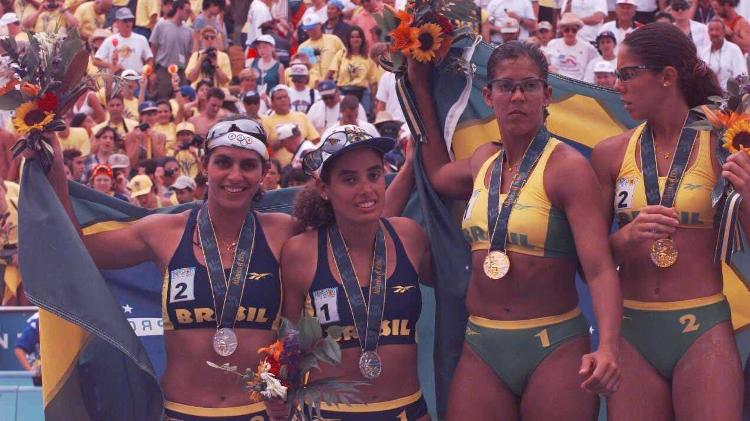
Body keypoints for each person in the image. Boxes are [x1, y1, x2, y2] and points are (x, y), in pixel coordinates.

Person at [408, 40, 622, 420]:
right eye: (507, 87)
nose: (518, 96)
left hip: (553, 343)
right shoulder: (482, 160)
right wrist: (420, 90)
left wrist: (607, 346)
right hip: (482, 343)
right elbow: (439, 175)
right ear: (489, 96)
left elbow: (599, 268)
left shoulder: (567, 168)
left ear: (547, 95)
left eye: (529, 86)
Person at [35, 116, 295, 419]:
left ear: (264, 172)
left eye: (248, 165)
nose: (234, 175)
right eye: (223, 162)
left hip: (260, 412)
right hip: (179, 411)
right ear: (203, 165)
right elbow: (78, 252)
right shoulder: (163, 233)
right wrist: (52, 167)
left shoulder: (285, 232)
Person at [591, 23, 743, 420]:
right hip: (632, 329)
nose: (618, 84)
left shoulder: (724, 144)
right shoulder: (609, 154)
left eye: (628, 74)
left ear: (667, 77)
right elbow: (588, 260)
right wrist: (626, 236)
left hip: (703, 325)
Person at [282, 124, 432, 420]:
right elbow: (288, 342)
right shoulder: (301, 252)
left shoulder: (409, 237)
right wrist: (277, 390)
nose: (366, 189)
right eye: (349, 179)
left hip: (407, 410)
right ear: (324, 188)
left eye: (374, 175)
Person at [149, 0, 193, 100]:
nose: (189, 14)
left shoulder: (189, 31)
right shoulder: (161, 26)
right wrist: (152, 71)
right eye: (187, 11)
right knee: (162, 100)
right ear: (178, 9)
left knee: (182, 100)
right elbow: (153, 48)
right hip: (163, 70)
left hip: (180, 72)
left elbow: (188, 54)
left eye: (190, 11)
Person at [327, 25, 379, 109]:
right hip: (343, 91)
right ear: (348, 39)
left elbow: (373, 84)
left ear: (362, 39)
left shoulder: (368, 58)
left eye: (358, 37)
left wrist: (374, 102)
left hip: (362, 93)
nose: (355, 39)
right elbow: (330, 73)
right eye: (352, 37)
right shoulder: (341, 54)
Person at [94, 8, 154, 73]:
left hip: (136, 79)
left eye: (130, 20)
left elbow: (149, 59)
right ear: (117, 22)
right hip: (117, 79)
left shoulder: (141, 39)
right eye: (125, 20)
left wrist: (147, 73)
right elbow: (96, 61)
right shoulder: (110, 40)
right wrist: (110, 65)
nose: (128, 23)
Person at [545, 13, 600, 81]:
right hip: (556, 82)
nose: (570, 33)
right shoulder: (553, 44)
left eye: (573, 30)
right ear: (562, 30)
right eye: (567, 30)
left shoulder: (587, 47)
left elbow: (597, 62)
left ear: (577, 31)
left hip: (577, 85)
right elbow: (546, 62)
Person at [700, 17, 747, 90]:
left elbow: (742, 77)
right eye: (711, 30)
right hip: (709, 97)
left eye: (717, 30)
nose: (714, 33)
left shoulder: (734, 50)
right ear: (708, 32)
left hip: (729, 97)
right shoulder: (704, 52)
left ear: (724, 32)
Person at [299, 14, 346, 83]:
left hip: (334, 81)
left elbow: (345, 58)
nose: (311, 32)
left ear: (320, 25)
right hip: (313, 84)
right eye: (308, 29)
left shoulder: (334, 40)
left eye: (313, 28)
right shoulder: (302, 47)